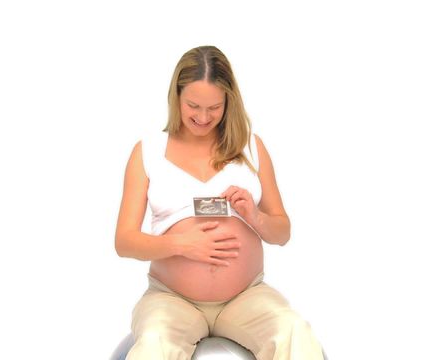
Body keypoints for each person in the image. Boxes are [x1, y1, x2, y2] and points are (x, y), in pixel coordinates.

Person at [115, 45, 324, 360]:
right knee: (155, 342)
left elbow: (282, 232)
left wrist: (255, 217)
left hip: (245, 296)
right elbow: (124, 242)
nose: (202, 117)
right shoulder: (148, 151)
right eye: (193, 105)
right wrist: (182, 245)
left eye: (214, 107)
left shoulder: (252, 148)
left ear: (229, 101)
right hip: (172, 299)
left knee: (295, 331)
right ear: (176, 97)